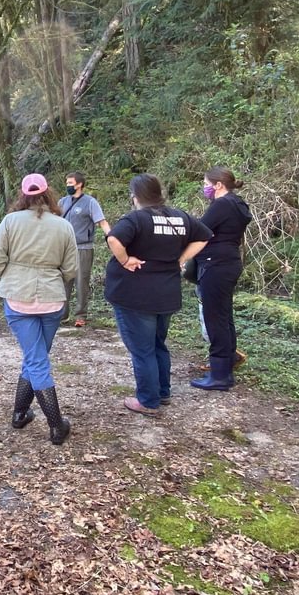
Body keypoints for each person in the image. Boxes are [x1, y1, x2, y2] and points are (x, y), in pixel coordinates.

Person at [105, 173, 210, 415]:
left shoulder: (136, 218)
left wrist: (125, 260)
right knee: (157, 344)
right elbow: (204, 236)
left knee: (142, 350)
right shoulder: (180, 216)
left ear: (135, 196)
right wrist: (182, 258)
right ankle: (162, 392)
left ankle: (148, 401)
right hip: (166, 293)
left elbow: (114, 239)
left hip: (135, 295)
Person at [0, 173, 79, 445]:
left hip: (18, 299)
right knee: (36, 357)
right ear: (48, 193)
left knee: (35, 358)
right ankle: (55, 425)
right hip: (51, 300)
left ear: (23, 194)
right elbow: (71, 269)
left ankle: (21, 414)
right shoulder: (63, 226)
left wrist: (11, 274)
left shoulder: (10, 222)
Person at [189, 166, 253, 392]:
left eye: (206, 183)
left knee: (215, 319)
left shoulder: (222, 204)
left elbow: (200, 230)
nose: (204, 187)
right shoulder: (238, 203)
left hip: (215, 265)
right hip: (229, 262)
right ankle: (227, 363)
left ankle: (219, 375)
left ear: (218, 185)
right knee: (224, 317)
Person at [58, 171, 111, 328]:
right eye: (67, 183)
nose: (68, 186)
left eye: (70, 183)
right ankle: (62, 315)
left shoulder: (90, 202)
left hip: (83, 247)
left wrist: (112, 238)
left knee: (82, 282)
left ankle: (81, 315)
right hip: (64, 248)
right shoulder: (62, 202)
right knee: (63, 282)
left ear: (79, 184)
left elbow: (102, 222)